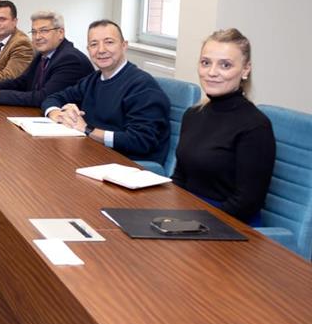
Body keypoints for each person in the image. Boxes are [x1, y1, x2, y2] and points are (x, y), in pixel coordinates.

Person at [172, 29, 275, 226]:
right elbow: (180, 178)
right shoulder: (193, 115)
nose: (212, 72)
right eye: (206, 63)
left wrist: (192, 224)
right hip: (189, 215)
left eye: (225, 65)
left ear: (246, 70)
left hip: (230, 225)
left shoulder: (255, 126)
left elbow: (247, 203)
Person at [42, 20, 170, 164]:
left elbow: (140, 141)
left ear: (124, 46)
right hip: (92, 153)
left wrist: (87, 129)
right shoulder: (93, 80)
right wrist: (58, 114)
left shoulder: (142, 86)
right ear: (88, 49)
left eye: (109, 42)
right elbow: (54, 98)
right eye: (94, 44)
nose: (101, 50)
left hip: (128, 165)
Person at [0, 11, 93, 106]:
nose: (37, 37)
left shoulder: (70, 59)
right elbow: (22, 82)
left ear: (60, 33)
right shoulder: (43, 54)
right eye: (34, 32)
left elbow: (44, 97)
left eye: (44, 31)